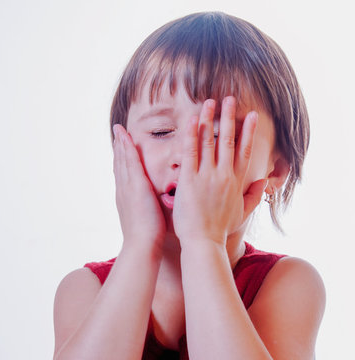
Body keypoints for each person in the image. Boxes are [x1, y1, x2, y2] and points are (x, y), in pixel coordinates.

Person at [53, 11, 325, 360]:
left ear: (276, 171)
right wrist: (140, 245)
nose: (186, 156)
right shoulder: (84, 289)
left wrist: (204, 244)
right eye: (161, 132)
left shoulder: (289, 284)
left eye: (215, 136)